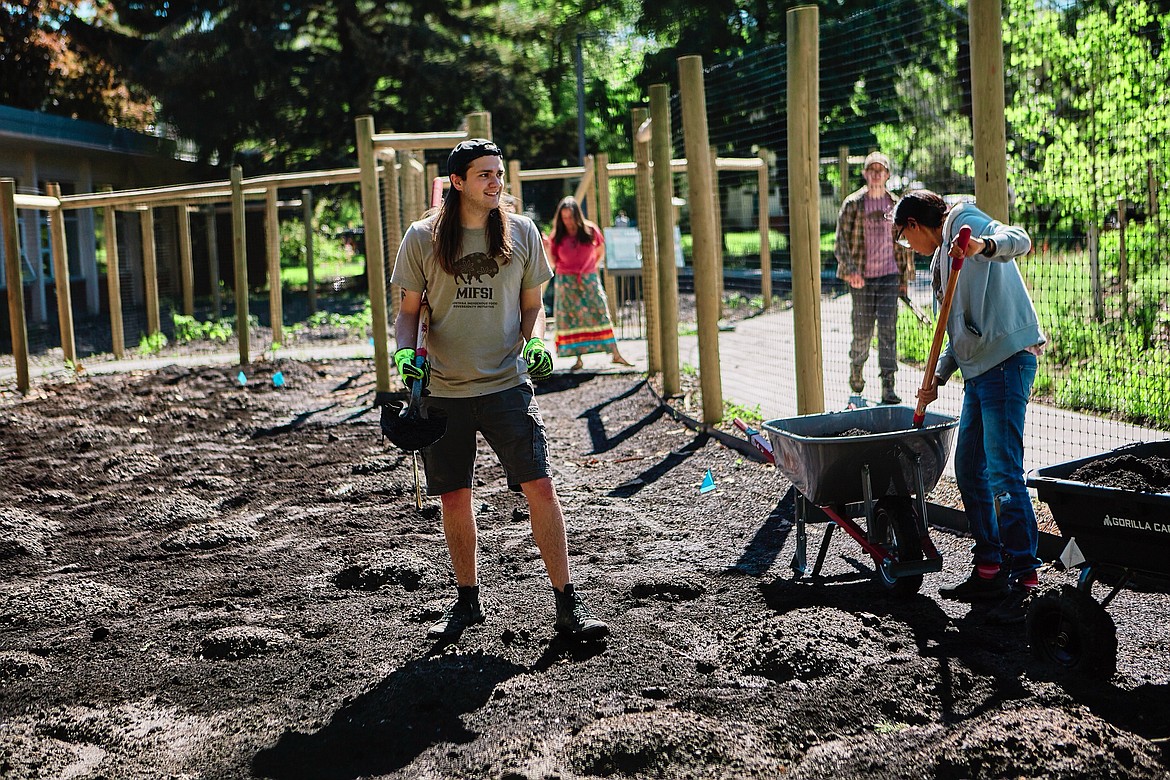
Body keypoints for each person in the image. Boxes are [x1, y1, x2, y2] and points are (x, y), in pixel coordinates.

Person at [390, 138, 609, 642]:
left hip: (508, 383)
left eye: (499, 173)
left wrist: (534, 341)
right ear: (458, 183)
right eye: (485, 174)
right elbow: (407, 315)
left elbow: (532, 305)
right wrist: (406, 355)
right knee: (455, 498)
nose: (496, 182)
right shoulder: (423, 239)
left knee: (541, 486)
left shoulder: (523, 233)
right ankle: (467, 600)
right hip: (443, 390)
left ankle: (567, 606)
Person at [892, 189, 1045, 625]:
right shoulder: (942, 258)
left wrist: (983, 246)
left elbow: (1020, 239)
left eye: (905, 238)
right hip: (980, 371)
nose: (909, 247)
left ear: (916, 226)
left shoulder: (970, 224)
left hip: (1006, 362)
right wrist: (937, 377)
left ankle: (1025, 577)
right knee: (970, 469)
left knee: (1001, 471)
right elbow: (957, 330)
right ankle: (990, 567)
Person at [834, 151, 917, 404]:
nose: (876, 174)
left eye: (881, 169)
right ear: (865, 174)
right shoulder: (853, 205)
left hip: (889, 277)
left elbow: (906, 242)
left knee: (888, 332)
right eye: (872, 169)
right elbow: (840, 242)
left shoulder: (895, 205)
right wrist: (851, 271)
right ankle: (856, 369)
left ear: (888, 174)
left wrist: (904, 277)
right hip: (861, 279)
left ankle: (888, 386)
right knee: (862, 332)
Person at [544, 196, 633, 371]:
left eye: (570, 217)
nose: (568, 221)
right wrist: (547, 247)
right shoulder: (558, 236)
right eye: (564, 218)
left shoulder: (590, 230)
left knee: (600, 310)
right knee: (571, 317)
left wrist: (590, 267)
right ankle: (578, 357)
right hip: (566, 281)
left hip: (588, 277)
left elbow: (600, 251)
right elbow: (553, 263)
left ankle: (615, 353)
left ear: (578, 216)